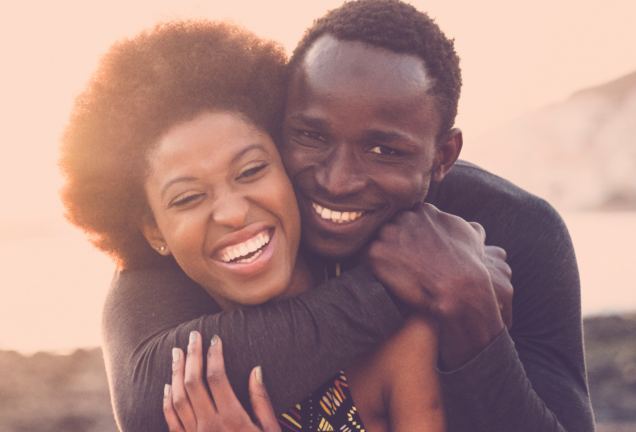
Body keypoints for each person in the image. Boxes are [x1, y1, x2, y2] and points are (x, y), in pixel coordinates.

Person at [65, 1, 595, 431]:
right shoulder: (222, 217)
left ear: (442, 158)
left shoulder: (517, 228)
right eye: (311, 135)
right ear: (279, 123)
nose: (337, 180)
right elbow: (148, 398)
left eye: (384, 150)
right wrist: (394, 287)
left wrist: (472, 311)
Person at [61, 18, 453, 432]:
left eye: (250, 171)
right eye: (189, 198)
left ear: (286, 161)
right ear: (155, 232)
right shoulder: (177, 387)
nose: (231, 212)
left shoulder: (402, 342)